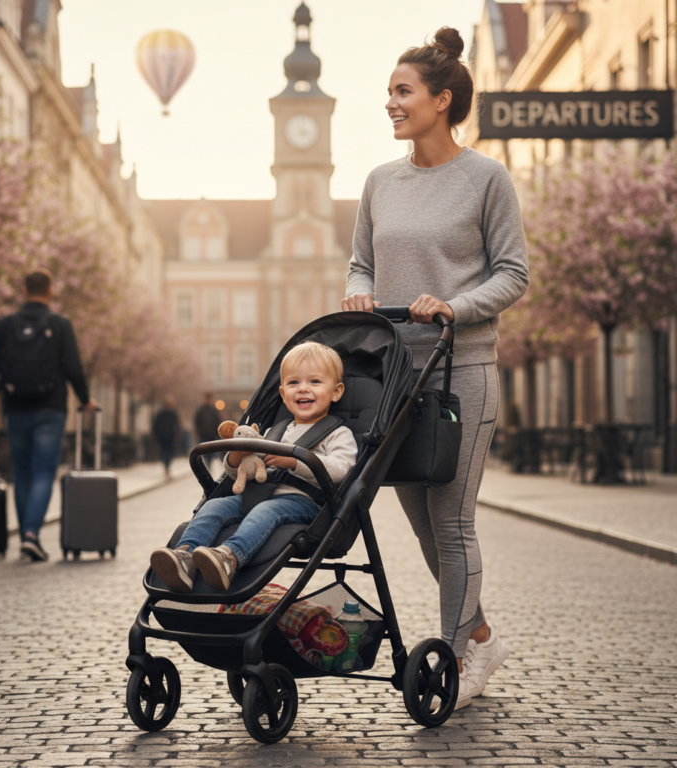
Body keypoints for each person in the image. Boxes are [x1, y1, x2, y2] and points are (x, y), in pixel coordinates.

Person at [341, 28, 529, 710]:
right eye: (388, 91)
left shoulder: (486, 179)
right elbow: (360, 258)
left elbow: (514, 273)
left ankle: (454, 660)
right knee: (422, 525)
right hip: (392, 377)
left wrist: (454, 305)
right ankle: (479, 633)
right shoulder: (379, 182)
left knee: (453, 526)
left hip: (462, 373)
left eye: (403, 91)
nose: (389, 103)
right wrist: (358, 290)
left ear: (441, 100)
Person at [150, 342, 358, 592]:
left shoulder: (338, 433)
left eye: (315, 382)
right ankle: (184, 557)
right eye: (294, 383)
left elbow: (341, 470)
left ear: (336, 392)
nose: (303, 388)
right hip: (256, 494)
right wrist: (237, 456)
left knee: (268, 511)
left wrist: (295, 462)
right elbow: (243, 470)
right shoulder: (275, 430)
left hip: (304, 502)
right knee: (215, 505)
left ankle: (229, 558)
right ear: (282, 394)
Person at [0, 268, 97, 562]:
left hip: (15, 408)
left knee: (23, 472)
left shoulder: (5, 325)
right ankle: (30, 534)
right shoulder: (60, 324)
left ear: (24, 291)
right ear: (50, 291)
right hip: (51, 408)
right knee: (43, 471)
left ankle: (27, 534)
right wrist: (85, 399)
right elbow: (74, 367)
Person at [152, 396, 181, 477]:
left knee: (166, 451)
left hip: (167, 436)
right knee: (167, 451)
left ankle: (167, 466)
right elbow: (156, 424)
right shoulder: (168, 413)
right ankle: (167, 466)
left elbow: (177, 425)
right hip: (166, 436)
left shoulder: (166, 413)